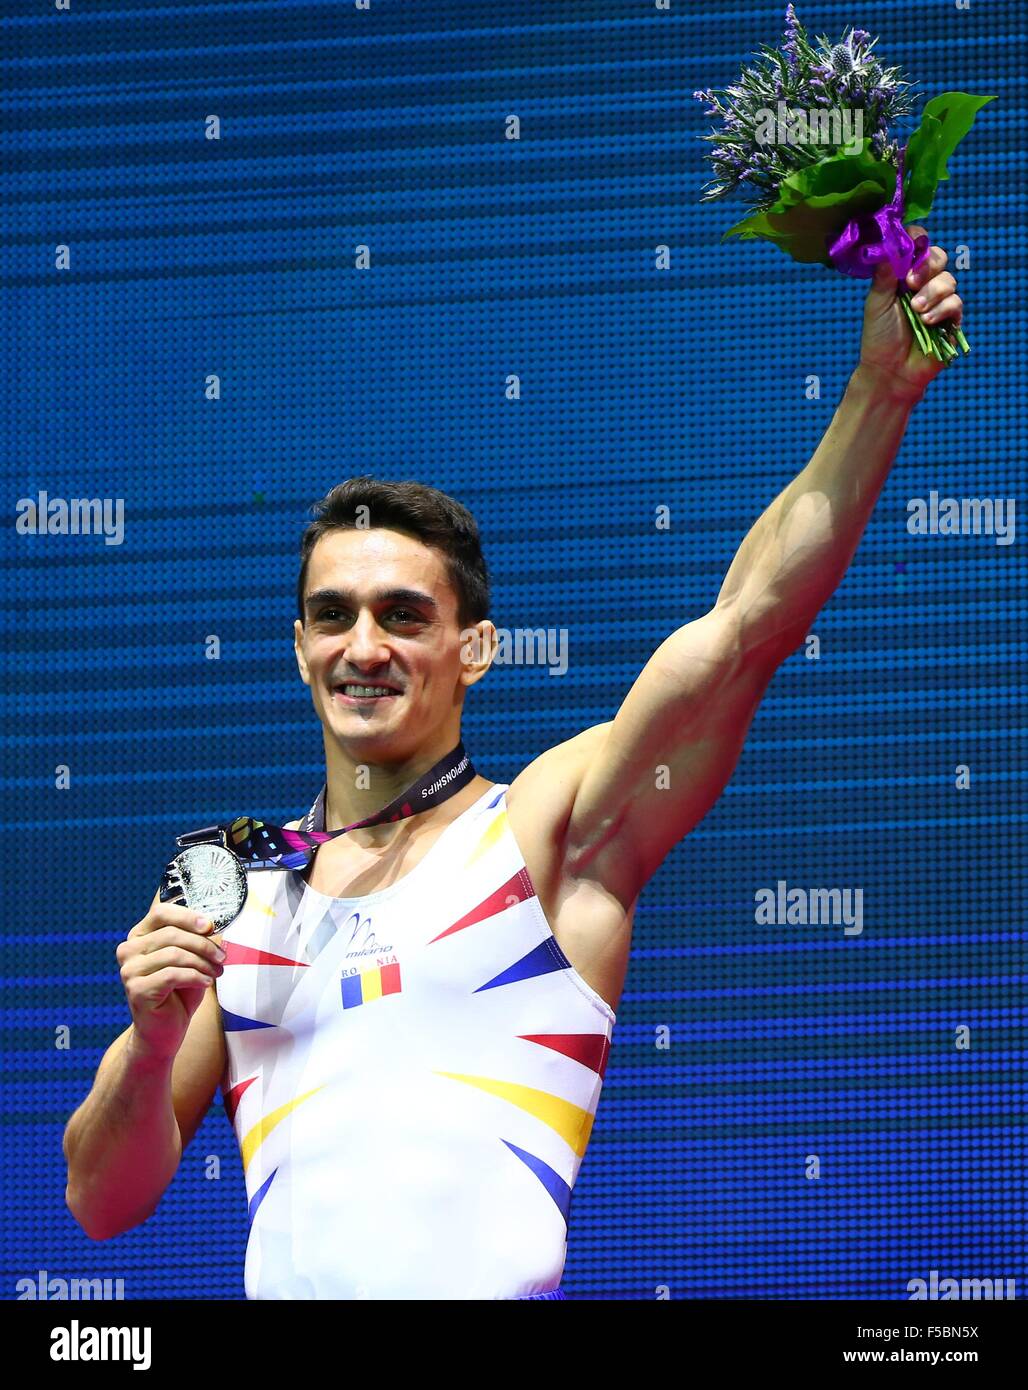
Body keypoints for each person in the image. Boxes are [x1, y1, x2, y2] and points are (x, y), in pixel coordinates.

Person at [63, 235, 963, 1298]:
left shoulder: (546, 832)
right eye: (331, 617)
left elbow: (744, 629)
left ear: (475, 649)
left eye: (404, 616)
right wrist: (151, 1036)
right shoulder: (232, 897)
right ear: (298, 646)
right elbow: (101, 1200)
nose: (363, 647)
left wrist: (876, 390)